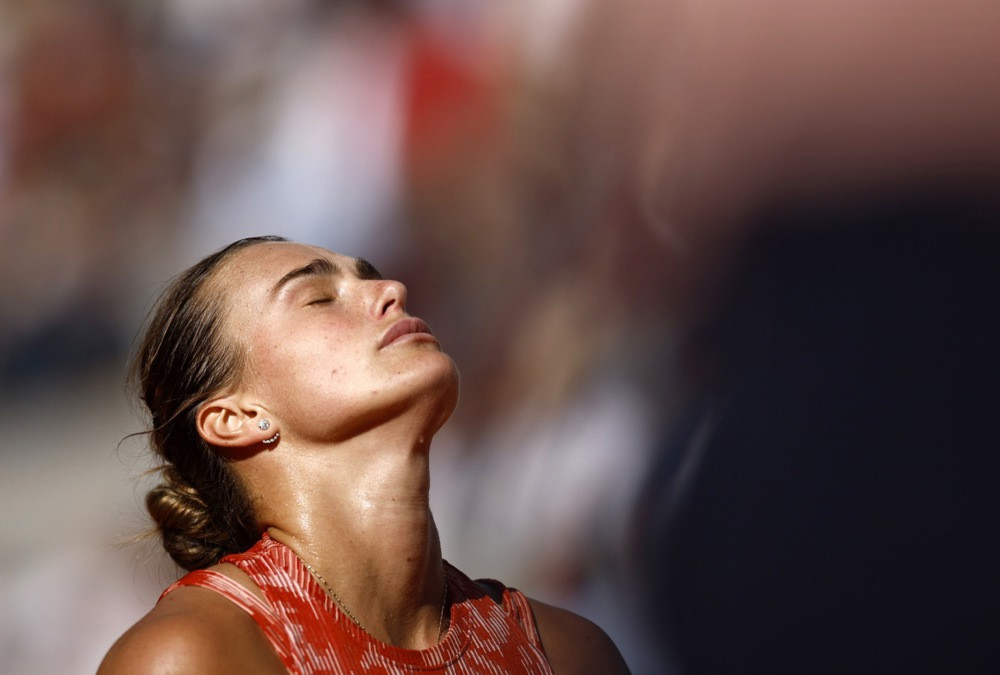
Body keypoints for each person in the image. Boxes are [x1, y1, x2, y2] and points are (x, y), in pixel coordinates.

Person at [99, 235, 629, 674]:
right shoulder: (191, 658)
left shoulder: (567, 653)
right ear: (235, 418)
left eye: (370, 275)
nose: (392, 289)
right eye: (318, 298)